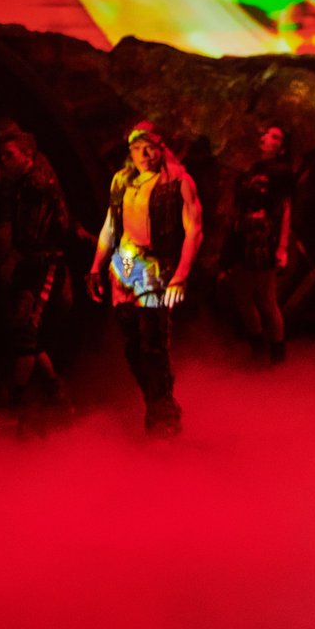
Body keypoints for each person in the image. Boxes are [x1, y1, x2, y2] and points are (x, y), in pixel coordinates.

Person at [87, 121, 203, 435]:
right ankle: (154, 400)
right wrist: (96, 266)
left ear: (160, 148)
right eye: (137, 149)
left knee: (154, 339)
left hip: (155, 265)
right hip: (125, 263)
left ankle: (163, 408)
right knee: (131, 343)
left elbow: (194, 230)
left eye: (149, 148)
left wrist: (180, 275)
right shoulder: (122, 180)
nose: (144, 154)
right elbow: (111, 226)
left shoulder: (177, 181)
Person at [0, 122, 86, 426]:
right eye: (2, 155)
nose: (4, 161)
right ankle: (57, 392)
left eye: (10, 154)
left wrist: (15, 257)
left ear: (26, 154)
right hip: (30, 264)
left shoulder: (36, 186)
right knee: (25, 333)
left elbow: (46, 229)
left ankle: (17, 404)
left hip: (44, 265)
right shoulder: (22, 184)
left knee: (26, 333)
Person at [219, 124, 294, 362]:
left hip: (264, 239)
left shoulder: (281, 172)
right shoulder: (250, 170)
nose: (266, 138)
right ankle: (258, 348)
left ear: (282, 147)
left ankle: (277, 352)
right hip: (243, 237)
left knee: (266, 299)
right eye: (266, 134)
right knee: (243, 298)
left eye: (275, 136)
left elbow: (285, 209)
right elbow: (236, 207)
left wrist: (282, 246)